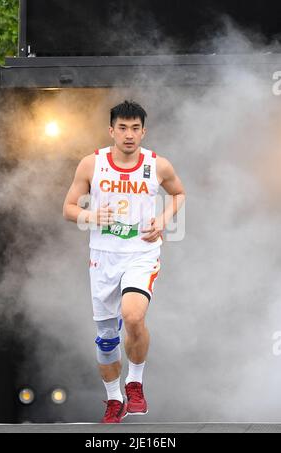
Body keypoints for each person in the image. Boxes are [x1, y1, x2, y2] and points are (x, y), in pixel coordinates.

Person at [63, 100, 186, 423]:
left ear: (143, 132)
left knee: (133, 317)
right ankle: (114, 399)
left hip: (141, 253)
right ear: (111, 131)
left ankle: (134, 382)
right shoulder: (92, 164)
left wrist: (163, 219)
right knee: (106, 338)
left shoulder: (157, 165)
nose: (129, 135)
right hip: (103, 256)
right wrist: (91, 215)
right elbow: (69, 208)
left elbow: (179, 193)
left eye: (135, 128)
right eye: (122, 128)